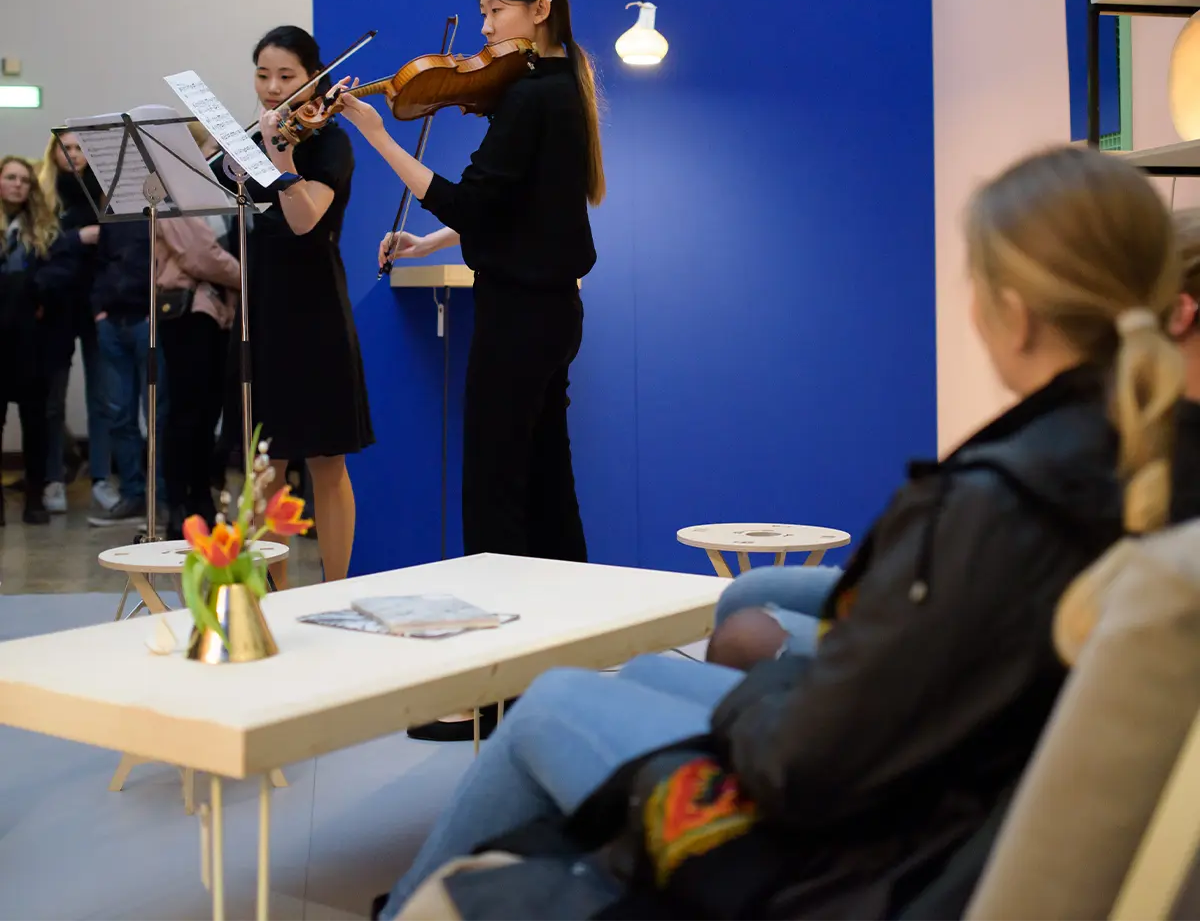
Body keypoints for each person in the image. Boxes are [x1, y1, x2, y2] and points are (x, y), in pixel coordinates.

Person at [373, 145, 1184, 920]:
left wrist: (764, 675)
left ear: (1012, 312)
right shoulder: (1147, 456)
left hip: (850, 853)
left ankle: (435, 902)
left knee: (552, 702)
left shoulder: (1005, 504)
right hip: (926, 806)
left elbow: (807, 758)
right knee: (648, 673)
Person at [684, 202, 1200, 677]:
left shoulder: (1053, 468)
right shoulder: (1097, 438)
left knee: (730, 638)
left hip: (936, 687)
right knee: (750, 596)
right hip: (971, 632)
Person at [337, 0, 601, 565]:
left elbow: (471, 204)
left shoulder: (530, 98)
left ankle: (502, 631)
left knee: (493, 488)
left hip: (518, 319)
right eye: (482, 13)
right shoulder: (562, 87)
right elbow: (522, 207)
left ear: (540, 11)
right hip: (555, 316)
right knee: (546, 482)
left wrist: (378, 136)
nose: (483, 30)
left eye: (495, 11)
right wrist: (428, 243)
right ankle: (571, 617)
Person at [214, 24, 373, 586]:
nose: (273, 88)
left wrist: (280, 152)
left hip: (314, 307)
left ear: (312, 77)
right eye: (263, 75)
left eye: (287, 76)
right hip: (262, 304)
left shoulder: (328, 140)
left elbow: (305, 222)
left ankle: (334, 587)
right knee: (265, 464)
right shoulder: (246, 140)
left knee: (327, 461)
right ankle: (272, 594)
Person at [36, 131, 116, 515]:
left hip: (97, 306)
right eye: (66, 147)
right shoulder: (43, 196)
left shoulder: (103, 192)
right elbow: (38, 249)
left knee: (102, 399)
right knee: (52, 400)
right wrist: (76, 238)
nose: (74, 155)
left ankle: (101, 479)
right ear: (53, 152)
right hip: (55, 309)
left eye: (81, 148)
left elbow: (117, 246)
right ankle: (54, 478)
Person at [156, 216, 241, 538]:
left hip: (218, 315)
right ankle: (178, 507)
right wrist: (249, 275)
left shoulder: (214, 185)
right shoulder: (173, 190)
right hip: (187, 314)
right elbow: (199, 254)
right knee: (185, 412)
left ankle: (202, 501)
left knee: (208, 414)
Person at [87, 211, 168, 527]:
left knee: (158, 415)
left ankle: (161, 498)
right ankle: (134, 494)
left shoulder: (163, 212)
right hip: (112, 323)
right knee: (119, 413)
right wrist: (99, 311)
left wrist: (155, 311)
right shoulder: (114, 216)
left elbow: (168, 262)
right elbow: (101, 264)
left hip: (148, 322)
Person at [0, 156, 58, 526]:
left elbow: (55, 277)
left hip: (31, 341)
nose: (18, 184)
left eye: (24, 179)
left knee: (36, 423)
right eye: (10, 177)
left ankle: (34, 497)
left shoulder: (42, 230)